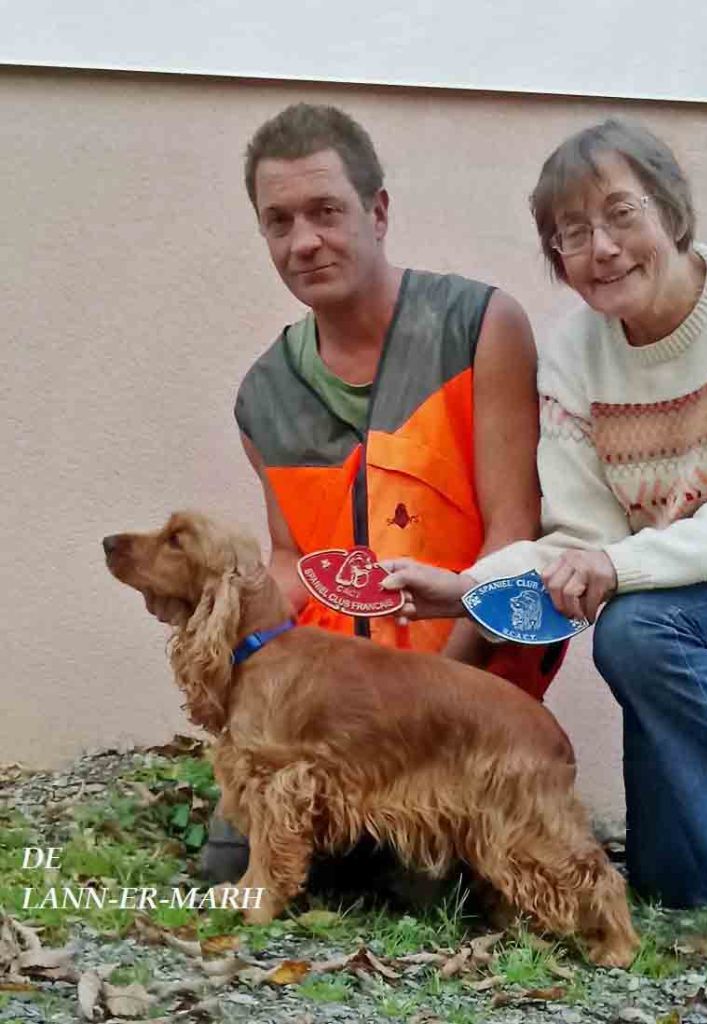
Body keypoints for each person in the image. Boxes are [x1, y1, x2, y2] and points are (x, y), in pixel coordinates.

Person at [381, 119, 707, 978]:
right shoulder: (574, 355)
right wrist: (465, 588)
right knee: (668, 879)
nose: (602, 248)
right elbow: (584, 543)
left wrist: (619, 569)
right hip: (692, 595)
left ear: (672, 209)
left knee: (637, 630)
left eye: (621, 213)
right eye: (570, 233)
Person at [165, 103, 567, 885]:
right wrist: (220, 611)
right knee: (230, 866)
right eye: (278, 221)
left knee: (415, 886)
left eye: (325, 211)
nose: (303, 240)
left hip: (461, 707)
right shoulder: (262, 395)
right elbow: (290, 558)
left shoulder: (478, 324)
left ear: (377, 212)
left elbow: (513, 532)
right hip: (326, 719)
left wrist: (426, 706)